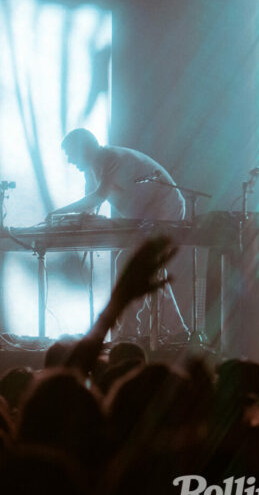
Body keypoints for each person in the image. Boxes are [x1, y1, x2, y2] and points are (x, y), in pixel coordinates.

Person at [51, 128, 188, 340]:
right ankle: (161, 330)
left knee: (136, 264)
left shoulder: (111, 158)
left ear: (84, 149)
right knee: (140, 266)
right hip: (143, 215)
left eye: (71, 154)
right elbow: (90, 205)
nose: (69, 161)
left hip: (163, 208)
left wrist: (59, 213)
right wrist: (75, 219)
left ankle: (138, 331)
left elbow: (96, 198)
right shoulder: (93, 167)